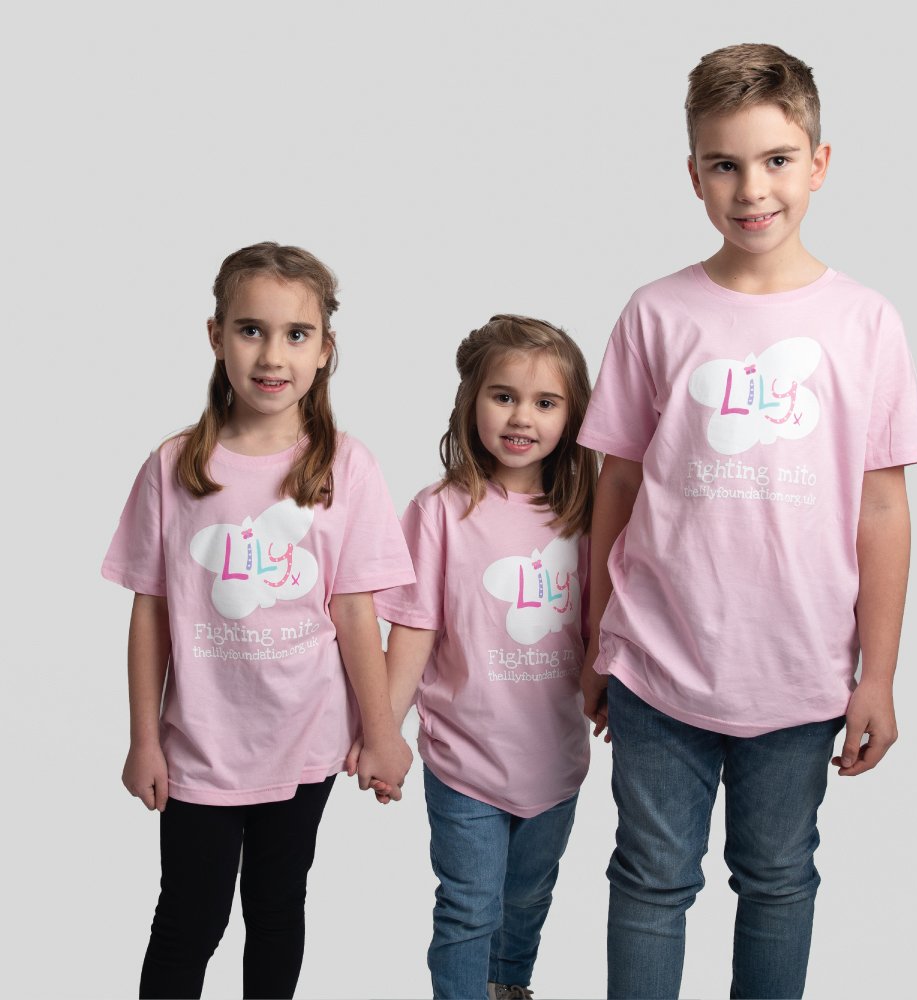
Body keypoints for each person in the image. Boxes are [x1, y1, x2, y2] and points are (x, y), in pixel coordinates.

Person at [577, 44, 917, 1000]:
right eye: (725, 164)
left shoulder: (866, 324)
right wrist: (593, 641)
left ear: (819, 163)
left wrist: (880, 672)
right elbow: (614, 490)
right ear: (692, 173)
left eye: (777, 160)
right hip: (658, 664)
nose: (752, 188)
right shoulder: (656, 314)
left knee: (779, 881)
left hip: (801, 672)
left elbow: (884, 506)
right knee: (651, 881)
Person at [102, 242, 415, 1000]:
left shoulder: (348, 466)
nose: (273, 355)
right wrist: (145, 738)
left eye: (297, 334)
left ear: (326, 349)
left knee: (277, 909)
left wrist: (380, 734)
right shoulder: (174, 468)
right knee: (189, 919)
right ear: (215, 336)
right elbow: (152, 613)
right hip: (201, 749)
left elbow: (353, 610)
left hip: (304, 740)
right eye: (251, 330)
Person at [363, 315, 598, 1000]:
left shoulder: (584, 516)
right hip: (463, 757)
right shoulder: (441, 511)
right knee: (467, 907)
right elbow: (412, 629)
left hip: (554, 760)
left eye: (545, 402)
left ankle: (509, 985)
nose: (521, 416)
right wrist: (383, 734)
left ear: (572, 414)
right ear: (471, 402)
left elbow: (603, 626)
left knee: (526, 899)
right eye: (503, 396)